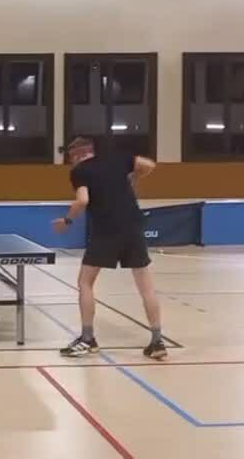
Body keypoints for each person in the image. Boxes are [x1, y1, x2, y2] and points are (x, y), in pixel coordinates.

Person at [52, 137, 166, 360]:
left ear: (77, 155)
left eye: (70, 157)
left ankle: (87, 339)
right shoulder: (118, 159)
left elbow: (82, 200)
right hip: (133, 227)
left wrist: (67, 220)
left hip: (106, 230)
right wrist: (134, 177)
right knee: (146, 287)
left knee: (85, 283)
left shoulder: (80, 171)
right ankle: (157, 341)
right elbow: (149, 165)